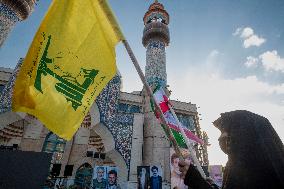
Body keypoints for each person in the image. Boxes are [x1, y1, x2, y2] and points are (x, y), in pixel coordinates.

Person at [179, 110, 284, 189]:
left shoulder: (258, 172)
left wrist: (196, 181)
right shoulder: (235, 166)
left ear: (244, 132)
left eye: (226, 130)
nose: (220, 138)